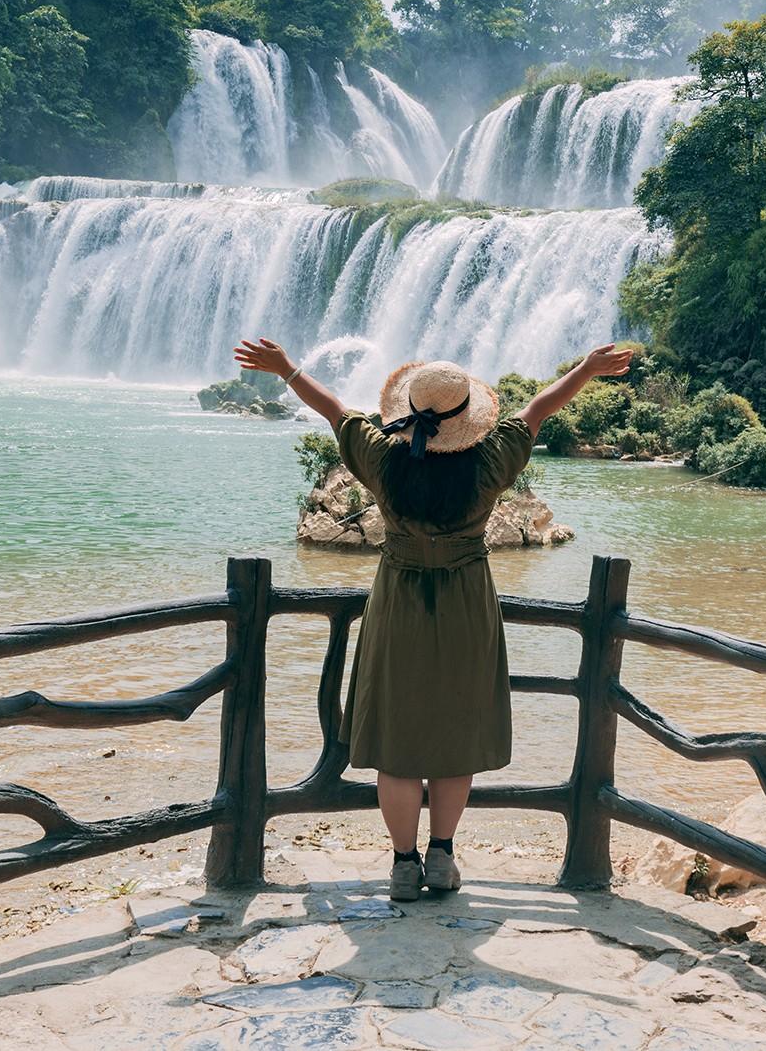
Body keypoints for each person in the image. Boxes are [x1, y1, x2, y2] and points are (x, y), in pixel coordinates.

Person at [232, 338, 632, 901]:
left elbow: (334, 410)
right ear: (468, 417)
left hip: (398, 601)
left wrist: (285, 369)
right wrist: (588, 369)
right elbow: (540, 407)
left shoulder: (381, 458)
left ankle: (402, 864)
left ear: (408, 409)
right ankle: (442, 857)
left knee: (397, 741)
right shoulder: (492, 461)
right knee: (455, 736)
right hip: (467, 602)